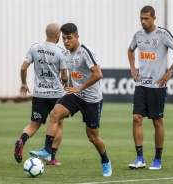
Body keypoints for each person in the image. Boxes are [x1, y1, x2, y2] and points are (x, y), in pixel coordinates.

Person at [29, 23, 112, 177]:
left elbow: (98, 74)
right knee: (55, 113)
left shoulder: (85, 52)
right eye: (64, 38)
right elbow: (73, 75)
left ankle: (105, 160)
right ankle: (48, 150)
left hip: (92, 99)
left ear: (77, 37)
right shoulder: (65, 55)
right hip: (75, 95)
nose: (66, 41)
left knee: (93, 136)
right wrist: (69, 87)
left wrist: (80, 88)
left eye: (69, 38)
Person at [127, 5, 173, 170]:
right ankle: (139, 159)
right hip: (141, 84)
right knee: (136, 118)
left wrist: (170, 71)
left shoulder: (162, 34)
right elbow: (130, 50)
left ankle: (157, 159)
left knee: (157, 121)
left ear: (154, 18)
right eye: (141, 18)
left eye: (146, 18)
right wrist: (133, 68)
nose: (143, 22)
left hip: (157, 86)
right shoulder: (138, 35)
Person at [14, 23, 68, 166]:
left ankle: (22, 140)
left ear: (46, 33)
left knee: (34, 124)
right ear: (57, 35)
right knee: (59, 123)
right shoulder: (60, 52)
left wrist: (24, 83)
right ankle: (51, 157)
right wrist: (66, 84)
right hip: (56, 94)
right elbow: (64, 75)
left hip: (39, 93)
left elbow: (23, 67)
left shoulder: (35, 47)